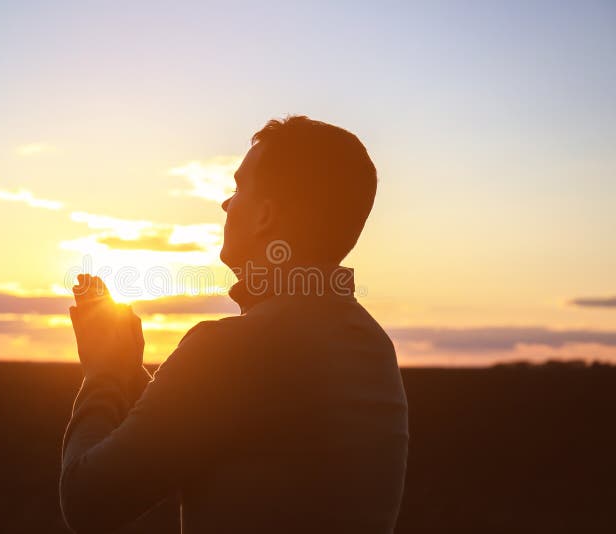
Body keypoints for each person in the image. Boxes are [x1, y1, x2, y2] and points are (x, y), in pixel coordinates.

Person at [60, 116, 409, 533]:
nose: (227, 204)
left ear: (265, 216)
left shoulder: (235, 348)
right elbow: (216, 428)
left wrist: (103, 371)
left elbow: (88, 501)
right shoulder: (372, 346)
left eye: (240, 187)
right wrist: (128, 369)